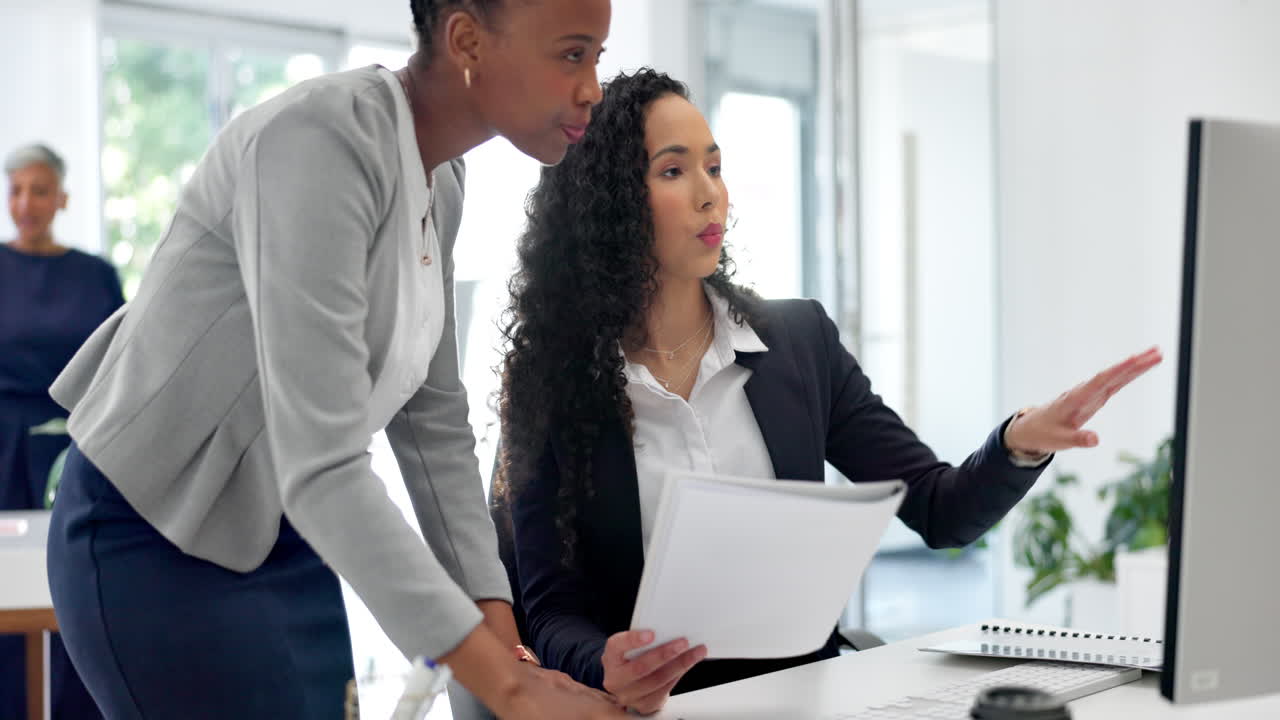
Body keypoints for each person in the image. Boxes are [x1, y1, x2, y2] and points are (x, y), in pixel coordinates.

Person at [495, 68, 1163, 716]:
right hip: (654, 711)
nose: (710, 195)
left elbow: (939, 508)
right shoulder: (553, 380)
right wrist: (605, 663)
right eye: (674, 171)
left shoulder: (797, 341)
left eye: (715, 167)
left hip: (804, 697)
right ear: (609, 203)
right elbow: (551, 611)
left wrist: (1018, 444)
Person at [44, 1, 628, 719]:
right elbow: (323, 464)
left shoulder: (440, 181)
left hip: (279, 531)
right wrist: (509, 692)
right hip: (151, 533)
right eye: (573, 54)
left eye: (597, 57)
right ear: (468, 39)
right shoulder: (319, 140)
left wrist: (511, 661)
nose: (592, 88)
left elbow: (433, 426)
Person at [1, 143, 121, 720]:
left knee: (73, 586)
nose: (26, 202)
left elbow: (120, 362)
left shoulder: (95, 275)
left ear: (62, 198)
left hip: (74, 447)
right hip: (0, 446)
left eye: (39, 189)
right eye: (16, 189)